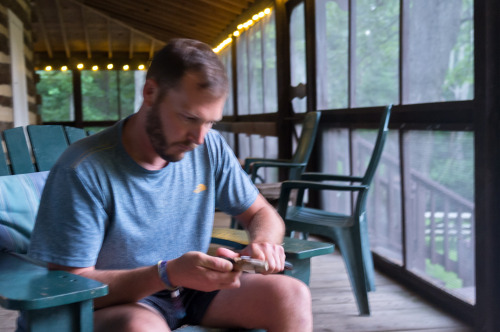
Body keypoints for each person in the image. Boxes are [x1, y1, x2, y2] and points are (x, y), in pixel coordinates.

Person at [26, 38, 312, 332]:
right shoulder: (82, 169)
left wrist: (263, 243)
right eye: (189, 118)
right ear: (150, 92)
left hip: (194, 290)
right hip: (123, 301)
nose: (199, 138)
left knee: (291, 295)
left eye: (210, 122)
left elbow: (262, 214)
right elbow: (68, 287)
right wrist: (165, 274)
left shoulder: (209, 147)